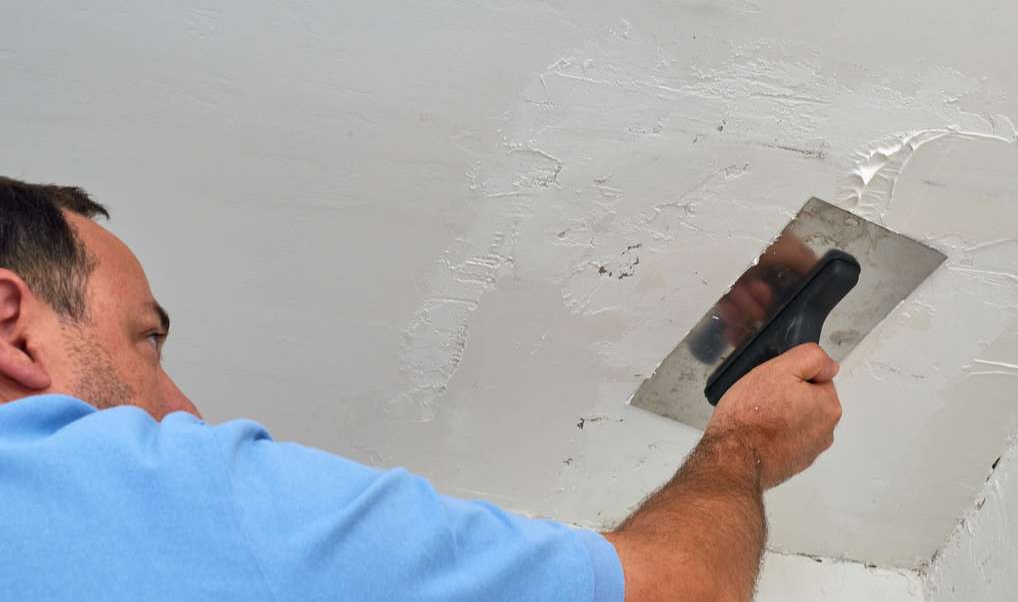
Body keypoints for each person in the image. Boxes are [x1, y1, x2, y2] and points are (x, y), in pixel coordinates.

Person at [0, 176, 842, 601]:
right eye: (144, 338)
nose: (179, 406)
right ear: (9, 318)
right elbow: (669, 591)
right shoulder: (171, 492)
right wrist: (748, 444)